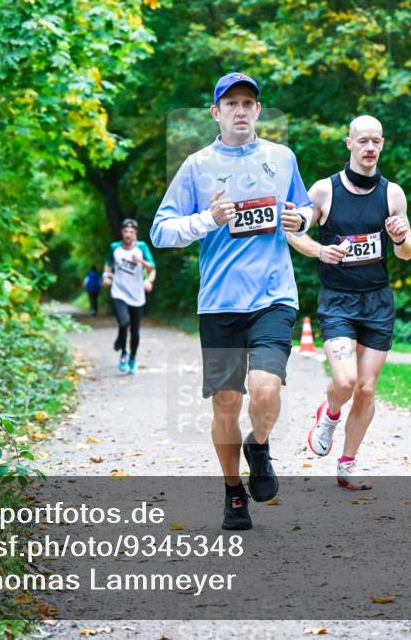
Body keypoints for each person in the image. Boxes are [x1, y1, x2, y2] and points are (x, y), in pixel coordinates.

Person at [151, 72, 314, 530]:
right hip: (220, 303)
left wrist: (297, 219)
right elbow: (161, 232)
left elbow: (306, 211)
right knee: (225, 403)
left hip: (273, 296)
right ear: (216, 112)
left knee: (264, 389)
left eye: (248, 103)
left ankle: (258, 445)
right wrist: (207, 218)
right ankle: (232, 492)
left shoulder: (281, 159)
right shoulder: (196, 166)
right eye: (232, 104)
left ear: (258, 111)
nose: (240, 111)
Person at [287, 115, 411, 490]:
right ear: (349, 144)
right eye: (363, 141)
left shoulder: (393, 194)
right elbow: (294, 232)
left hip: (377, 301)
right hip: (338, 301)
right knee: (345, 382)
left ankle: (347, 463)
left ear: (383, 144)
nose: (370, 148)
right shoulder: (325, 191)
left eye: (376, 141)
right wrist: (319, 251)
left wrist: (401, 236)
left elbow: (408, 252)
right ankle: (328, 415)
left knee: (366, 389)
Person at [103, 219, 156, 374]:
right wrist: (106, 276)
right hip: (119, 292)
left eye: (132, 232)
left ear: (136, 234)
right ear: (122, 232)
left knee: (135, 331)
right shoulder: (114, 247)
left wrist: (143, 265)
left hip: (137, 294)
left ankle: (133, 357)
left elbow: (152, 267)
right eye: (126, 232)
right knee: (124, 321)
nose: (128, 235)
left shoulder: (142, 247)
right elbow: (108, 264)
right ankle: (123, 353)